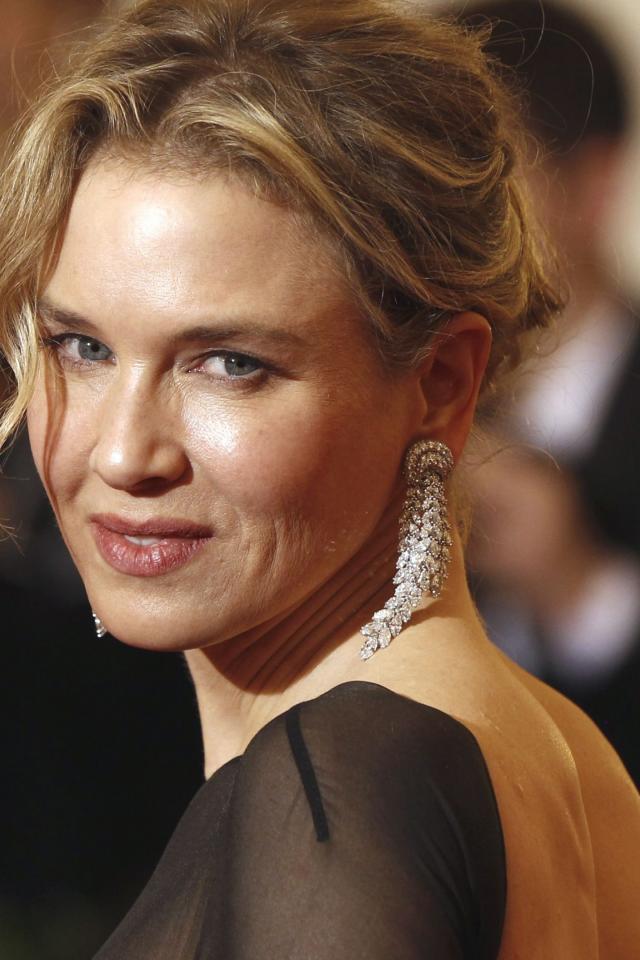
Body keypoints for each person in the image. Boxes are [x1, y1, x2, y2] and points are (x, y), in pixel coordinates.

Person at [0, 1, 637, 957]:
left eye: (229, 363)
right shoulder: (560, 755)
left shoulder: (339, 788)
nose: (122, 453)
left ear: (441, 382)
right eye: (81, 346)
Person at [460, 0, 640, 784]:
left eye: (485, 183)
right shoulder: (393, 399)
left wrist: (577, 587)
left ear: (593, 184)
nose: (444, 225)